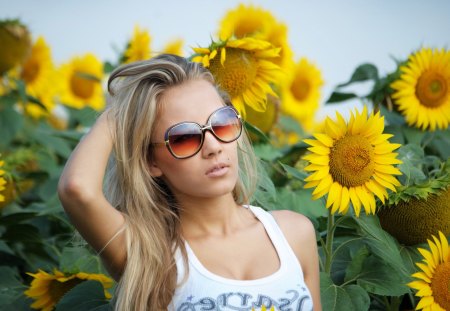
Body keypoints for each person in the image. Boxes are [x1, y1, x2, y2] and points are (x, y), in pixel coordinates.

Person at [58, 54, 321, 311]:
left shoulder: (293, 234)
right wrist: (121, 112)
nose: (213, 146)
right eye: (184, 137)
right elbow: (77, 189)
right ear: (152, 162)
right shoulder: (149, 254)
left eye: (222, 123)